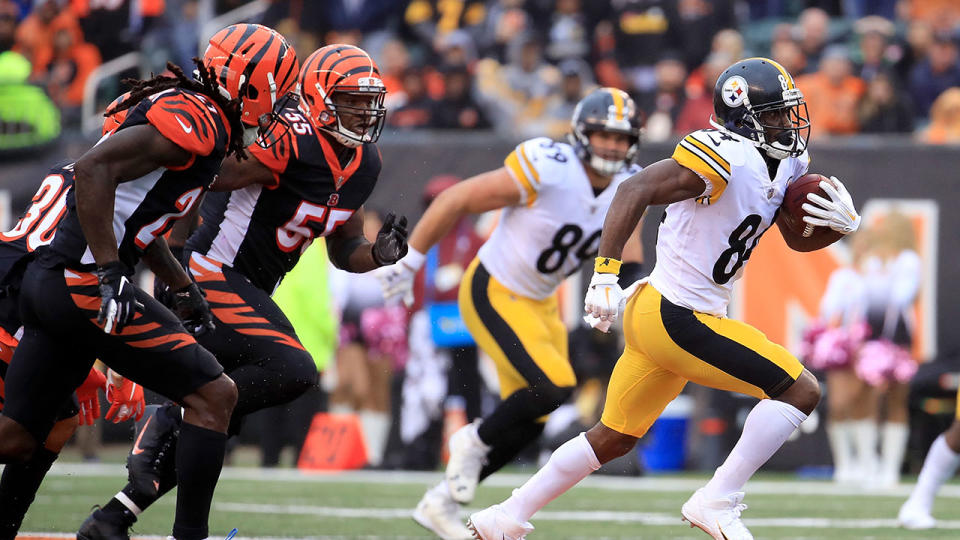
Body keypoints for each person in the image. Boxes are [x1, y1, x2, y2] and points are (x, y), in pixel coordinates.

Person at [468, 57, 863, 540]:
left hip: (663, 315)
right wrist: (604, 274)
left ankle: (504, 516)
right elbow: (634, 189)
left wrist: (834, 228)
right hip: (677, 315)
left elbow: (791, 234)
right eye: (775, 115)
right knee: (800, 389)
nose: (787, 123)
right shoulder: (725, 155)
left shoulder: (787, 163)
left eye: (787, 112)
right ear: (743, 117)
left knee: (611, 438)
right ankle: (717, 498)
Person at [80, 43, 409, 538]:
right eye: (352, 101)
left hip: (245, 288)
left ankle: (116, 518)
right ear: (319, 97)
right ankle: (167, 414)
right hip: (208, 274)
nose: (365, 113)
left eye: (369, 102)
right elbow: (216, 173)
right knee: (293, 367)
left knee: (217, 411)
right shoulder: (295, 135)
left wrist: (378, 256)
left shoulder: (364, 164)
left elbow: (346, 248)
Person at [0, 23, 298, 540]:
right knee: (214, 394)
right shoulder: (200, 119)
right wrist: (111, 271)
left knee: (22, 437)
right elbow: (94, 170)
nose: (277, 111)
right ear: (249, 86)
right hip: (78, 284)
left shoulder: (198, 113)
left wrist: (180, 284)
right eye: (277, 93)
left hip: (53, 281)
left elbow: (137, 217)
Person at [378, 87, 644, 540]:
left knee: (530, 417)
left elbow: (631, 256)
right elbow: (456, 199)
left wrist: (623, 295)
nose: (613, 147)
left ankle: (441, 502)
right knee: (554, 385)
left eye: (621, 138)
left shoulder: (630, 183)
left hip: (540, 303)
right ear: (581, 133)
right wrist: (412, 260)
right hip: (494, 286)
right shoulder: (548, 165)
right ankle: (471, 439)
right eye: (604, 135)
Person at [0, 100, 150, 539]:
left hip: (21, 284)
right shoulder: (113, 183)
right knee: (19, 434)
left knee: (58, 420)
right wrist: (125, 364)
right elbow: (94, 281)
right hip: (19, 299)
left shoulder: (78, 168)